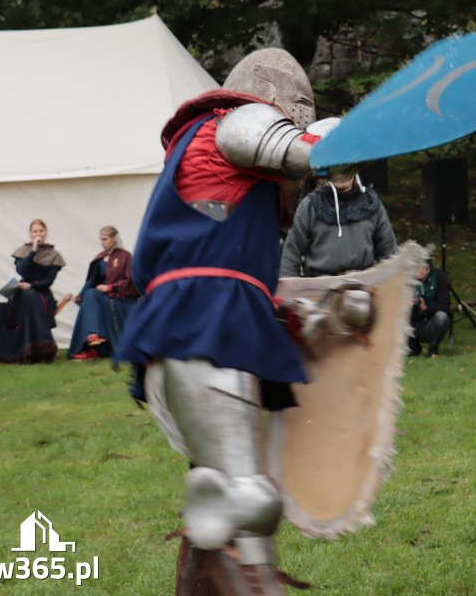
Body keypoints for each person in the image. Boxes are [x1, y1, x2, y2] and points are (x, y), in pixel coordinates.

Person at [116, 48, 330, 595]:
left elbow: (216, 260)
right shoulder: (239, 121)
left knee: (219, 498)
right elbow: (313, 151)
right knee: (249, 503)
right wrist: (362, 135)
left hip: (181, 333)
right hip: (205, 334)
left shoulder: (202, 156)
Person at [280, 163, 397, 278]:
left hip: (363, 286)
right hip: (319, 287)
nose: (342, 174)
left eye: (347, 168)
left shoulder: (370, 201)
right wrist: (289, 291)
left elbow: (388, 253)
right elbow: (291, 254)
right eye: (338, 168)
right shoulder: (310, 205)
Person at [0, 219, 66, 364]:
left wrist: (32, 287)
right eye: (35, 231)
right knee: (0, 307)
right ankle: (10, 348)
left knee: (30, 296)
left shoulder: (54, 255)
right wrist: (33, 251)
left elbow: (49, 281)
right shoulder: (23, 251)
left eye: (41, 231)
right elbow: (21, 270)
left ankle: (37, 348)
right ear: (30, 234)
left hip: (41, 292)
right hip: (21, 290)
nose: (38, 234)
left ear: (46, 233)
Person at [67, 226, 139, 361]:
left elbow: (130, 281)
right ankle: (93, 337)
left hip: (120, 297)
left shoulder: (125, 257)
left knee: (91, 295)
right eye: (101, 240)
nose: (102, 243)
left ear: (114, 239)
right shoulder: (100, 259)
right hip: (103, 298)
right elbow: (91, 281)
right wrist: (80, 295)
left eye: (105, 239)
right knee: (89, 294)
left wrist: (110, 287)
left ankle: (94, 344)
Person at [408, 258, 451, 358]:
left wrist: (426, 308)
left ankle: (434, 348)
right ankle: (413, 347)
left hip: (431, 323)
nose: (420, 270)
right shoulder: (407, 280)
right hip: (412, 324)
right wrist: (408, 305)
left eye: (423, 267)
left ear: (428, 268)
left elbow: (444, 307)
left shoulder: (439, 277)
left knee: (442, 317)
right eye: (416, 267)